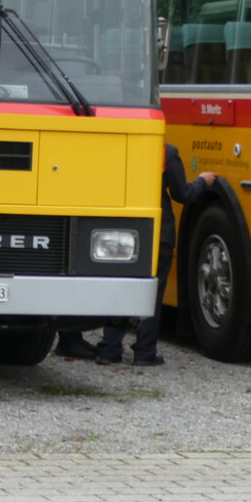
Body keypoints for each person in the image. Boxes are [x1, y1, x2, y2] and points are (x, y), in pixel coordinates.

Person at [96, 143, 215, 366]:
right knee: (153, 293)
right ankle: (144, 351)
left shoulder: (118, 144)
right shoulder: (165, 151)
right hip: (158, 234)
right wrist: (203, 181)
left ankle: (109, 349)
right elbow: (183, 194)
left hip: (122, 232)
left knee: (121, 288)